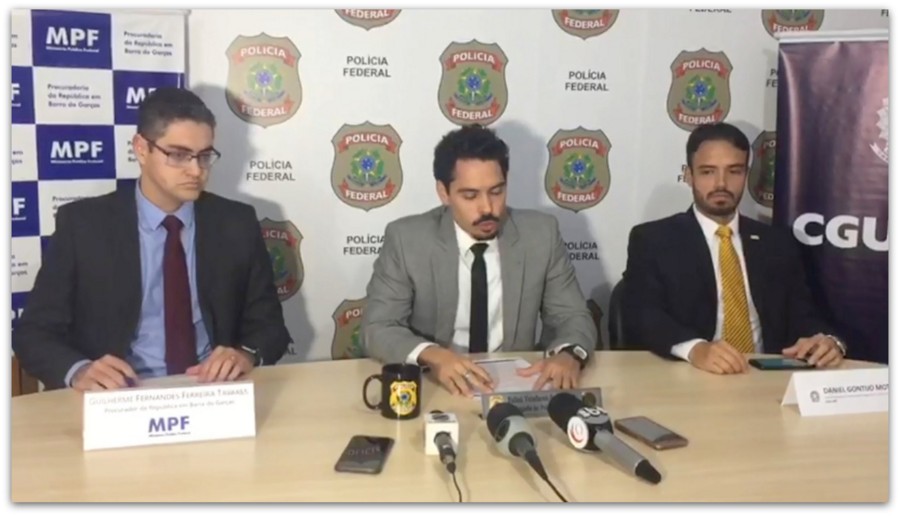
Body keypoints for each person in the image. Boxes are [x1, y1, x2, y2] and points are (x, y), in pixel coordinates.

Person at [12, 87, 292, 391]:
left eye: (204, 156)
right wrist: (80, 371)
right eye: (178, 155)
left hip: (211, 391)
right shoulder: (83, 226)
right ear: (142, 149)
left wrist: (244, 355)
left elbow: (270, 328)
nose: (195, 170)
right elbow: (33, 334)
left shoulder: (236, 222)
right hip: (119, 394)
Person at [362, 124, 596, 397]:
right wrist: (434, 355)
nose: (487, 208)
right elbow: (377, 327)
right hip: (437, 386)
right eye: (470, 195)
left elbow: (572, 316)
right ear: (444, 192)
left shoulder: (541, 234)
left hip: (515, 385)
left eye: (496, 192)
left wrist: (569, 354)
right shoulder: (407, 240)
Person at [622, 122, 846, 374]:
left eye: (734, 171)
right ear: (689, 176)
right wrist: (695, 349)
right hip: (694, 375)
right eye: (708, 172)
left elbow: (802, 313)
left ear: (746, 175)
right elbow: (642, 314)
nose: (721, 184)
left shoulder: (777, 243)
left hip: (767, 377)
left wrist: (826, 341)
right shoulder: (654, 240)